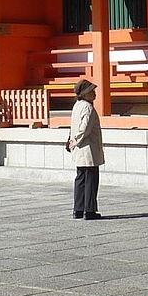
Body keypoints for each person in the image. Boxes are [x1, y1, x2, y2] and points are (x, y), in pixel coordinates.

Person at [66, 78, 105, 219]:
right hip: (88, 147)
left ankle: (78, 209)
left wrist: (71, 140)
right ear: (85, 94)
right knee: (91, 179)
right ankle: (89, 210)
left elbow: (73, 126)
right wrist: (76, 140)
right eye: (92, 91)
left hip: (78, 147)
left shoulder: (77, 105)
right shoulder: (88, 107)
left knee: (81, 178)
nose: (94, 94)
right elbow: (85, 128)